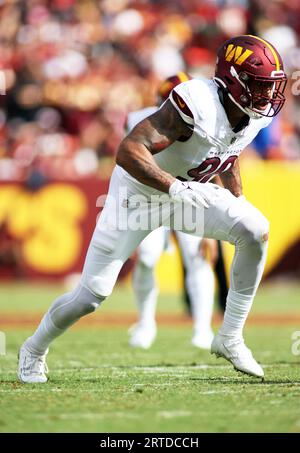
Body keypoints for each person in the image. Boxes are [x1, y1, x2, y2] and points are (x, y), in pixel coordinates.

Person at [18, 35, 287, 382]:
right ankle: (34, 348)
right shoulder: (197, 102)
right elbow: (128, 151)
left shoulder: (253, 116)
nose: (267, 96)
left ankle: (230, 336)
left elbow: (229, 155)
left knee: (255, 229)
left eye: (270, 87)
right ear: (234, 81)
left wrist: (237, 201)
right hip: (138, 197)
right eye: (260, 86)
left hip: (188, 196)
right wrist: (174, 187)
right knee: (91, 295)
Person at [127, 73, 216, 350]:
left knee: (197, 256)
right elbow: (129, 160)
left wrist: (212, 225)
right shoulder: (139, 118)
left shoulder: (208, 120)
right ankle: (145, 322)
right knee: (146, 257)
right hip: (152, 195)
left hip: (190, 194)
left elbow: (214, 165)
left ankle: (203, 329)